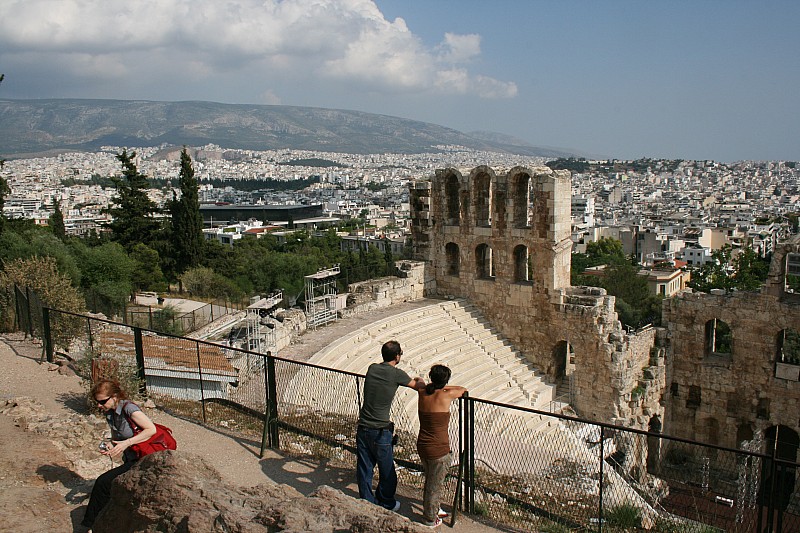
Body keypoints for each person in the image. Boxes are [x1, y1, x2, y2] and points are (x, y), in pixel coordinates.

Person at [356, 340, 425, 511]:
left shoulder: (372, 368)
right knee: (388, 472)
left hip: (363, 427)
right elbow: (419, 387)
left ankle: (367, 503)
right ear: (397, 356)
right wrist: (420, 379)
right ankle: (386, 502)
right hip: (380, 431)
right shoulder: (396, 374)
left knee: (365, 469)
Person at [81, 379, 157, 532]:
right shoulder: (110, 412)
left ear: (114, 396)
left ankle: (91, 526)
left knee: (102, 483)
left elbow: (151, 429)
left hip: (143, 458)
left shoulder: (129, 409)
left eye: (102, 401)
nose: (99, 405)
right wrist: (113, 444)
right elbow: (121, 436)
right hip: (130, 457)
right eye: (97, 401)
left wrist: (126, 443)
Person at [416, 364, 467, 527]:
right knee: (434, 485)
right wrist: (443, 386)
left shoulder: (422, 392)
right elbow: (462, 389)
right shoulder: (447, 395)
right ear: (445, 381)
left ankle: (434, 508)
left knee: (430, 479)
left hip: (422, 445)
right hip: (439, 449)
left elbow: (420, 383)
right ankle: (430, 518)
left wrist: (429, 384)